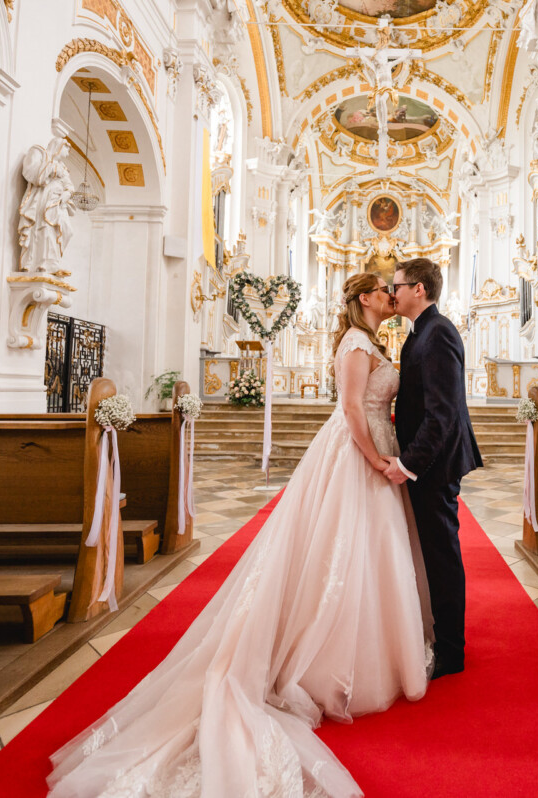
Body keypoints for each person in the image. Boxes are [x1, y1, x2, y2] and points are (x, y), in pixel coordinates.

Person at [47, 273, 432, 797]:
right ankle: (326, 659)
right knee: (340, 554)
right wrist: (374, 460)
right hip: (357, 455)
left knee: (370, 556)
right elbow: (349, 411)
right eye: (383, 289)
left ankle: (375, 646)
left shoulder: (373, 341)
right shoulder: (355, 343)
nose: (391, 295)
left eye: (397, 288)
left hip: (374, 450)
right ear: (364, 298)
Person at [385, 257, 482, 679]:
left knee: (442, 555)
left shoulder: (437, 332)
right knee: (433, 552)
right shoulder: (420, 332)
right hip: (429, 462)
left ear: (419, 289)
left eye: (398, 286)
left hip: (435, 466)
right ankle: (441, 637)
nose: (394, 293)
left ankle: (451, 651)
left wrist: (408, 464)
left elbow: (442, 413)